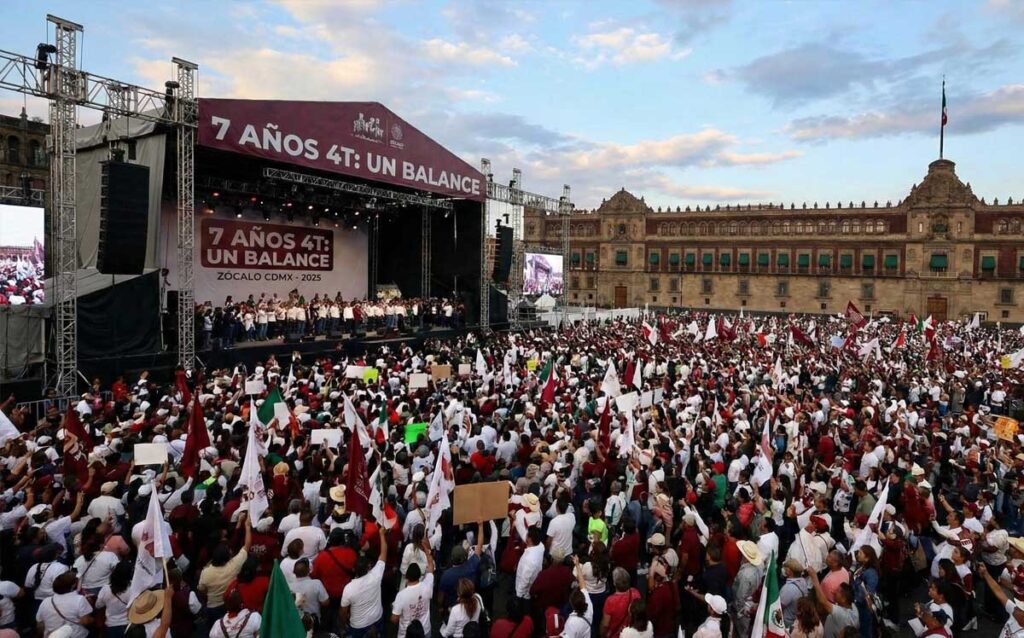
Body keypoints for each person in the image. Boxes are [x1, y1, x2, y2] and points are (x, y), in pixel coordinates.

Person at [198, 512, 252, 627]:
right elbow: (247, 546)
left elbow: (201, 590)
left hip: (213, 607)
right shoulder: (234, 565)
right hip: (229, 603)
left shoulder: (206, 572)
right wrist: (247, 527)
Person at [340, 527, 388, 638]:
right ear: (368, 567)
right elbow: (383, 554)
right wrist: (381, 535)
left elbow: (343, 611)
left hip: (358, 626)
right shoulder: (375, 575)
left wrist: (343, 625)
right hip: (377, 619)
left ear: (354, 570)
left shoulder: (349, 588)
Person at [391, 533, 435, 638]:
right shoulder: (427, 585)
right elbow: (431, 567)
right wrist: (426, 550)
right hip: (425, 630)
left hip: (406, 633)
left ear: (407, 577)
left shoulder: (401, 596)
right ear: (420, 575)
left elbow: (394, 619)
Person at [35, 572, 92, 638]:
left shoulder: (45, 601)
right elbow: (85, 622)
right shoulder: (79, 599)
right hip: (76, 635)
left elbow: (40, 624)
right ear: (73, 585)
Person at [808, 568, 859, 638]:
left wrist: (814, 578)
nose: (834, 592)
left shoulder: (842, 615)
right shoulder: (853, 607)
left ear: (844, 599)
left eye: (837, 591)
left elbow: (823, 601)